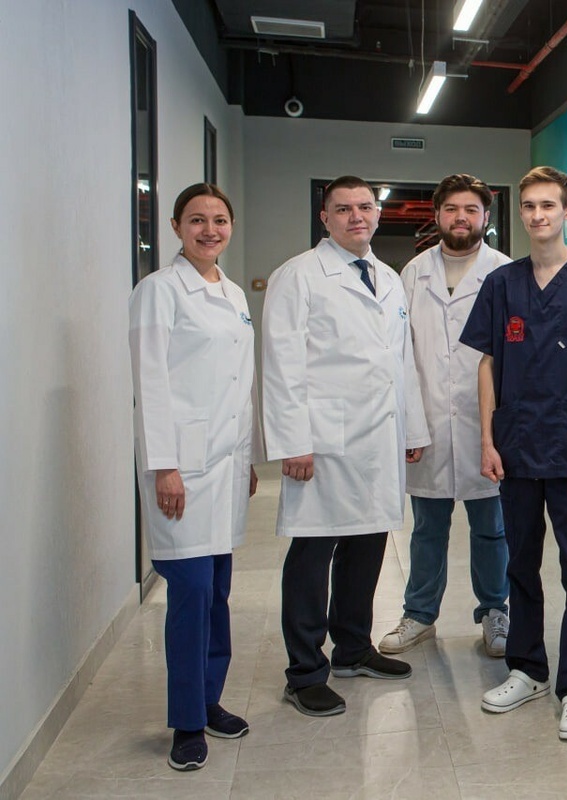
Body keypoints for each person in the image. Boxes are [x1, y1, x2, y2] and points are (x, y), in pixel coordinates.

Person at [460, 166, 567, 740]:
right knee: (520, 566)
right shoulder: (501, 284)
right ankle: (528, 669)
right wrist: (488, 439)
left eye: (548, 206)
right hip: (515, 449)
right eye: (529, 206)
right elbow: (488, 363)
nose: (538, 215)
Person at [261, 175, 430, 717]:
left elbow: (402, 362)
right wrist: (292, 441)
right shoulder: (299, 276)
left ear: (377, 214)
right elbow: (281, 365)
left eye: (365, 207)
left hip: (378, 438)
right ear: (325, 218)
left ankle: (353, 649)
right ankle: (304, 672)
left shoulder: (388, 278)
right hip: (323, 442)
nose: (356, 216)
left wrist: (413, 430)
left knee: (368, 545)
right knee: (313, 554)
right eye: (343, 209)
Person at [129, 183, 261, 771]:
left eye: (220, 220)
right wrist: (165, 467)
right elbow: (151, 384)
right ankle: (186, 722)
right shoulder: (159, 291)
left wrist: (247, 456)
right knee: (190, 593)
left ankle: (209, 699)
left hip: (225, 465)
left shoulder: (233, 292)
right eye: (197, 220)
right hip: (181, 467)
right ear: (177, 227)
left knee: (218, 593)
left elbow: (239, 382)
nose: (210, 230)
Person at [379, 174, 511, 658]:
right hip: (428, 422)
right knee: (427, 529)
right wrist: (410, 423)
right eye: (452, 209)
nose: (461, 218)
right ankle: (419, 615)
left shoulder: (504, 271)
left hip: (487, 424)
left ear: (485, 217)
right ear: (437, 215)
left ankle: (495, 611)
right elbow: (401, 354)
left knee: (492, 528)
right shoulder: (413, 273)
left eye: (471, 210)